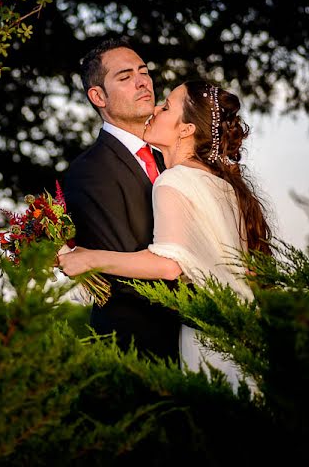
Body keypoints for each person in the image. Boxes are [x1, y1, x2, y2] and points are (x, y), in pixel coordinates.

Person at [59, 79, 272, 390]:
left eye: (167, 107)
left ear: (185, 129)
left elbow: (170, 265)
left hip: (206, 335)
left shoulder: (172, 181)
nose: (156, 109)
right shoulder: (223, 184)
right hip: (243, 329)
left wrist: (86, 259)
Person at [61, 38, 180, 364]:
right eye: (125, 77)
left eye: (143, 72)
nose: (143, 81)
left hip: (194, 337)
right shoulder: (89, 172)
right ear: (98, 96)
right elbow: (123, 272)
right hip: (139, 348)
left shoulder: (173, 158)